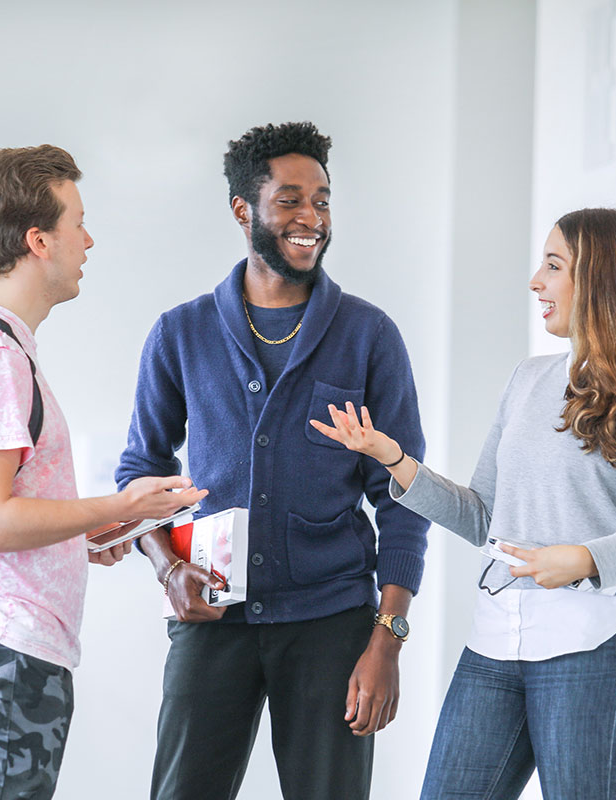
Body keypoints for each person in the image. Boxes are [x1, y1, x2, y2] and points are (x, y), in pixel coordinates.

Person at [310, 208, 616, 800]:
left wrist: (584, 559)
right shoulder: (528, 379)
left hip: (601, 643)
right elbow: (482, 516)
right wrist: (395, 460)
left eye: (553, 266)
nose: (535, 282)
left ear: (601, 280)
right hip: (497, 642)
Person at [115, 121, 428, 800]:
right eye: (289, 200)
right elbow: (141, 470)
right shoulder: (181, 333)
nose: (310, 217)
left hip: (333, 624)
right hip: (212, 616)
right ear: (243, 211)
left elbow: (404, 495)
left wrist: (388, 640)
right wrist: (167, 568)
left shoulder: (369, 336)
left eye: (321, 200)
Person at [0, 145, 206, 799]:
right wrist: (126, 508)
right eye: (76, 222)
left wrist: (77, 533)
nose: (89, 239)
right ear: (37, 240)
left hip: (0, 655)